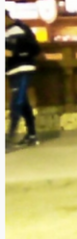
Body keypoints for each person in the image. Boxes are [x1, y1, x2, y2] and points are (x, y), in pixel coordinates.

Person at [5, 10, 41, 148]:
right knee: (23, 102)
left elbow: (35, 49)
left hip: (24, 68)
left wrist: (14, 53)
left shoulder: (21, 28)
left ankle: (9, 136)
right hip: (12, 70)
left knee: (17, 102)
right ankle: (32, 135)